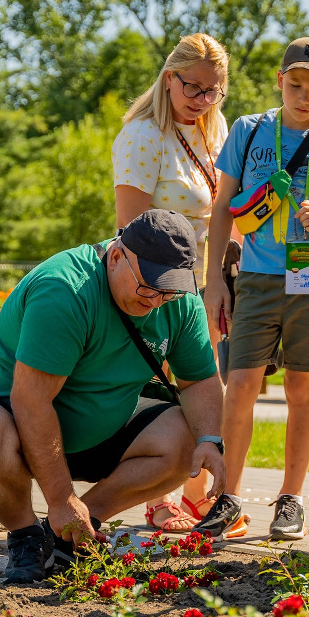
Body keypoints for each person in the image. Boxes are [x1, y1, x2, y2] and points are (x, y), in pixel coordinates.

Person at [0, 210, 227, 585]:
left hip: (94, 430)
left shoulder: (178, 303)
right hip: (8, 421)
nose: (156, 301)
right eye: (148, 287)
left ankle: (74, 532)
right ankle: (26, 537)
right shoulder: (64, 289)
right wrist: (59, 498)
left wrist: (209, 439)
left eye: (169, 290)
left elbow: (200, 380)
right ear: (118, 255)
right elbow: (31, 401)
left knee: (187, 440)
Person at [197, 37, 309, 541]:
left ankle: (290, 500)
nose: (304, 96)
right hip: (256, 277)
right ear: (279, 81)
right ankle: (227, 497)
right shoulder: (248, 132)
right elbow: (223, 209)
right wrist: (213, 284)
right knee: (240, 387)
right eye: (295, 85)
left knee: (301, 390)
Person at [113, 32, 230, 532]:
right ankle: (155, 499)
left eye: (214, 91)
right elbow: (131, 231)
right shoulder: (143, 135)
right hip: (158, 281)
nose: (203, 101)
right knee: (160, 386)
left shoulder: (212, 128)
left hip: (206, 280)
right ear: (169, 79)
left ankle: (196, 494)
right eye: (194, 89)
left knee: (203, 385)